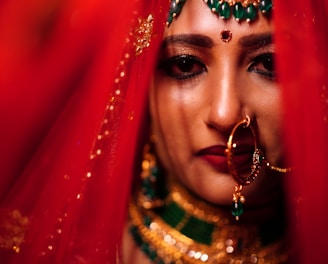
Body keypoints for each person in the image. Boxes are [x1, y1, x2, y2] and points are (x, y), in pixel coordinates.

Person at [0, 0, 327, 263]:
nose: (225, 114)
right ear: (139, 84)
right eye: (186, 65)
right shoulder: (78, 250)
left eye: (270, 65)